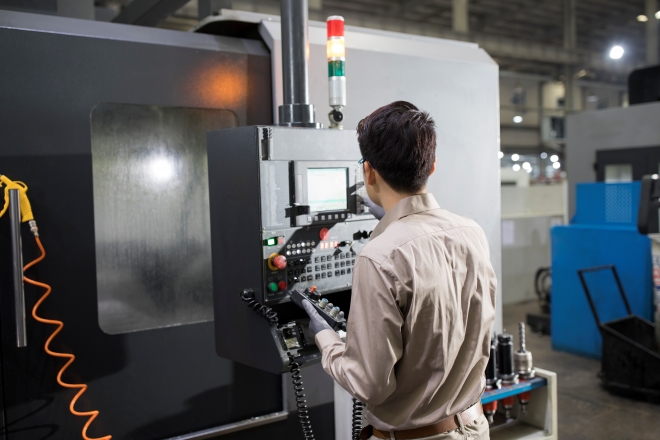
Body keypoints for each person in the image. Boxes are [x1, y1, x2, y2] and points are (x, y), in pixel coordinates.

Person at [302, 101, 497, 440]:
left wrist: (325, 337)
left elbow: (369, 384)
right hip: (474, 428)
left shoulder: (378, 258)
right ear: (431, 165)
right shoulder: (471, 232)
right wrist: (393, 224)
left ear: (369, 172)